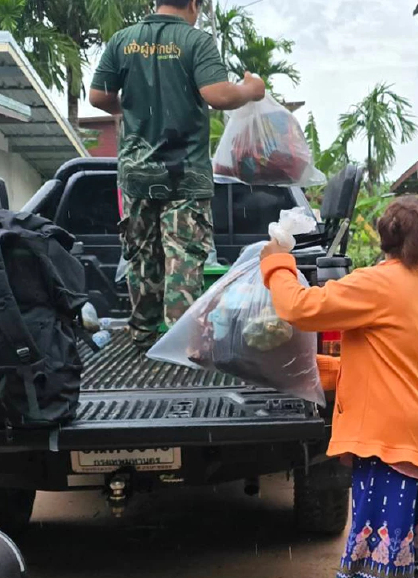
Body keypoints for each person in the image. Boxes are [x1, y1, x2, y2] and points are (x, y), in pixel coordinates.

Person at [260, 196, 418, 578]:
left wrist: (276, 264)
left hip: (388, 445)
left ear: (382, 237)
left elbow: (299, 308)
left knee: (382, 546)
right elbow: (396, 358)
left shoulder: (376, 283)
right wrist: (322, 371)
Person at [90, 0, 266, 348]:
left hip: (138, 172)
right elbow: (217, 94)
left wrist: (127, 111)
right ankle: (179, 343)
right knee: (183, 257)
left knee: (142, 255)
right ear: (194, 4)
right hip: (185, 175)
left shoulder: (124, 40)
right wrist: (251, 90)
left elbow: (98, 96)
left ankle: (142, 336)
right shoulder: (195, 41)